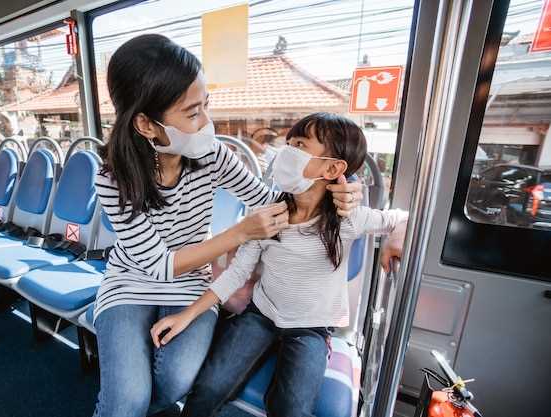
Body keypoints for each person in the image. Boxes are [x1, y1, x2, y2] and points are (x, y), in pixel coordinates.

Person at [92, 35, 367, 417]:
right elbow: (157, 264)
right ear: (145, 124)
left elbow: (267, 200)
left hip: (191, 284)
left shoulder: (211, 156)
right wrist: (240, 233)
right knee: (127, 402)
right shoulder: (112, 178)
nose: (208, 122)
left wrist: (338, 186)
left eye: (206, 104)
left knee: (175, 382)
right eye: (191, 113)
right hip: (130, 281)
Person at [151, 113, 408, 417]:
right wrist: (188, 315)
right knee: (209, 387)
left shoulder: (350, 218)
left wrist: (394, 240)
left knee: (292, 409)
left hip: (310, 329)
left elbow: (402, 218)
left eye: (300, 144)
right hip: (260, 315)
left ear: (333, 167)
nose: (286, 151)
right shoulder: (270, 213)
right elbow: (238, 272)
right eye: (289, 143)